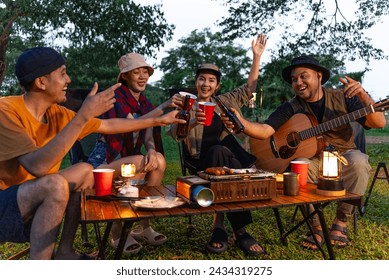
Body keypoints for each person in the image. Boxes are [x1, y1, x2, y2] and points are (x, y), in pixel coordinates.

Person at [0, 47, 185, 260]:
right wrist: (83, 116)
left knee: (85, 171)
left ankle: (65, 251)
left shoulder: (57, 113)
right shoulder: (6, 111)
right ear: (41, 82)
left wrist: (158, 120)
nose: (68, 79)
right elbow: (38, 166)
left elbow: (108, 125)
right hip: (6, 203)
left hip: (36, 192)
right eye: (62, 73)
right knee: (55, 184)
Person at [227, 55, 386, 250]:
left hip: (343, 157)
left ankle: (341, 223)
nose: (298, 82)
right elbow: (266, 131)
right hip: (312, 162)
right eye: (294, 79)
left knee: (359, 161)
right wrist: (241, 122)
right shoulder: (291, 107)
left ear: (319, 76)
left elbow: (379, 123)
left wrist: (363, 96)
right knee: (294, 169)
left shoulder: (344, 97)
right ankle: (315, 225)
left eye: (304, 76)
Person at [168, 34, 267, 255]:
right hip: (200, 163)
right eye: (202, 79)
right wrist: (192, 121)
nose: (206, 84)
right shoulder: (186, 105)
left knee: (222, 153)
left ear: (217, 85)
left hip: (228, 162)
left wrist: (256, 57)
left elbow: (250, 89)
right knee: (218, 152)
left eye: (211, 80)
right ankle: (240, 231)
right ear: (196, 82)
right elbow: (174, 134)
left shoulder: (224, 102)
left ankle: (219, 228)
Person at [88, 52, 183, 254]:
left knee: (159, 160)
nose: (142, 77)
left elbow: (148, 134)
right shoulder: (116, 98)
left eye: (145, 72)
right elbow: (134, 124)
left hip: (127, 158)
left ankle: (144, 225)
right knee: (139, 162)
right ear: (124, 76)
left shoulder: (144, 103)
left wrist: (151, 149)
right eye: (136, 72)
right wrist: (165, 106)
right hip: (104, 164)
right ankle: (117, 232)